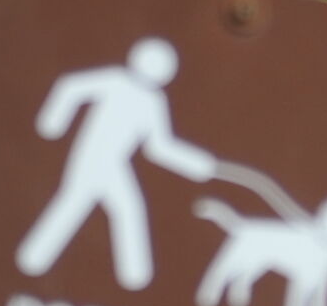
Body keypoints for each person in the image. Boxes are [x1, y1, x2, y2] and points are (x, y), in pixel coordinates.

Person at [17, 36, 215, 292]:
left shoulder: (154, 101)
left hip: (115, 164)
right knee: (78, 203)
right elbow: (71, 86)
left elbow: (157, 147)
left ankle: (135, 279)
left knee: (118, 207)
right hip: (91, 158)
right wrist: (52, 122)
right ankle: (33, 261)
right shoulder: (115, 80)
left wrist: (194, 163)